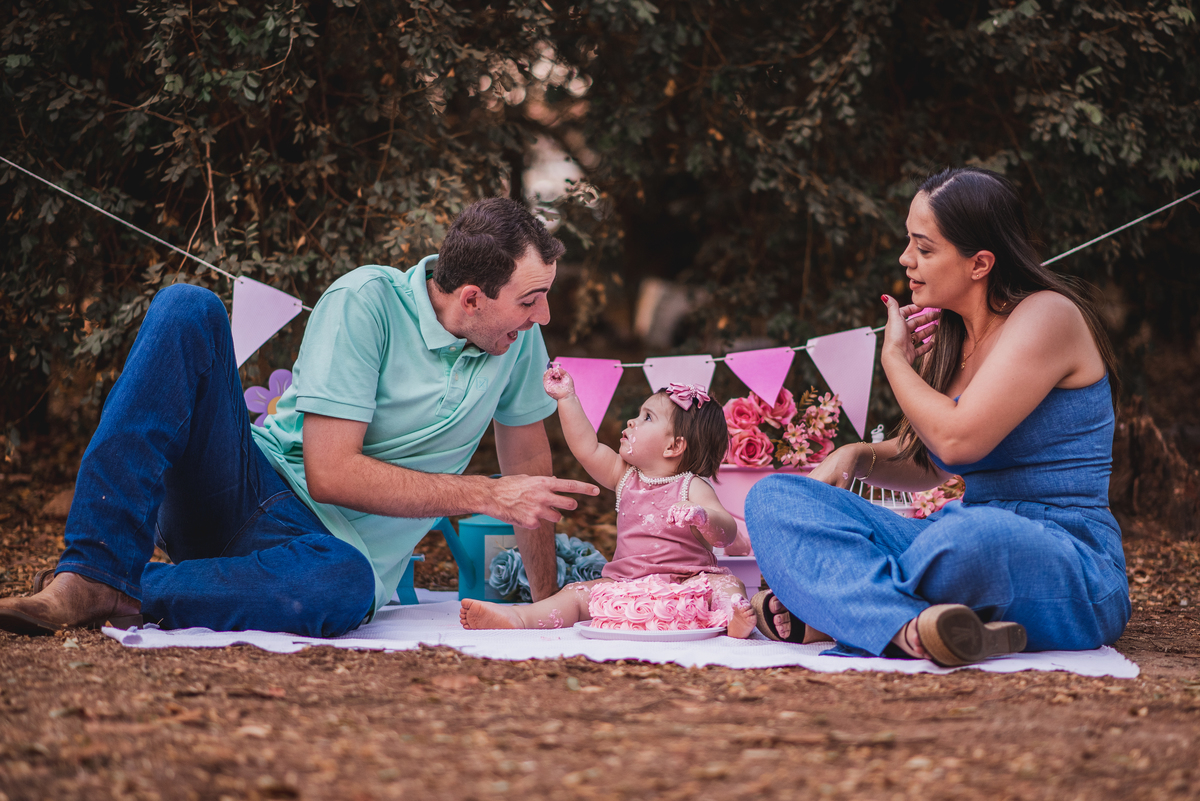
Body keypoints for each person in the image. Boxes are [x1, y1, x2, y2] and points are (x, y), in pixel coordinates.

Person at [0, 198, 599, 637]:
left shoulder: (516, 342)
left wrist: (544, 605)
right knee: (189, 307)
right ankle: (90, 569)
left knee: (342, 584)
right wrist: (485, 494)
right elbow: (329, 476)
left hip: (324, 556)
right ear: (472, 296)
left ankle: (125, 590)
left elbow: (530, 471)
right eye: (530, 299)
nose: (543, 315)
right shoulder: (366, 301)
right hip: (244, 488)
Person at [745, 167, 1130, 666]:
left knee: (969, 537)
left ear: (980, 263)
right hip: (961, 539)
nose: (906, 259)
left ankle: (835, 603)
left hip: (1063, 557)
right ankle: (914, 631)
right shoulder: (953, 338)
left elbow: (957, 443)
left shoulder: (1047, 316)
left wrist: (894, 363)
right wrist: (856, 454)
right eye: (909, 243)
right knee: (775, 499)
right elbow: (930, 465)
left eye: (924, 249)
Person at [460, 368, 758, 637]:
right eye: (639, 414)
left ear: (673, 446)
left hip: (685, 585)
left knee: (726, 587)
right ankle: (518, 618)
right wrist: (567, 399)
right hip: (625, 585)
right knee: (574, 595)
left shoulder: (690, 486)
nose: (632, 420)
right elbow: (586, 447)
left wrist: (702, 516)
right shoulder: (624, 476)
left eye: (647, 417)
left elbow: (727, 531)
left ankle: (733, 618)